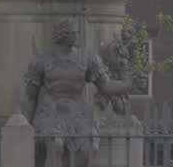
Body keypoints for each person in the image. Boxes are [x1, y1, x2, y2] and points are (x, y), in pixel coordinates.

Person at [22, 18, 132, 167]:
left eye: (78, 33)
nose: (78, 36)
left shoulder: (88, 58)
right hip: (50, 112)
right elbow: (30, 96)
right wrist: (24, 125)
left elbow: (106, 86)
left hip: (78, 113)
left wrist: (129, 85)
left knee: (89, 149)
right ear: (62, 35)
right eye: (74, 33)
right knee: (56, 144)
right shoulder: (41, 60)